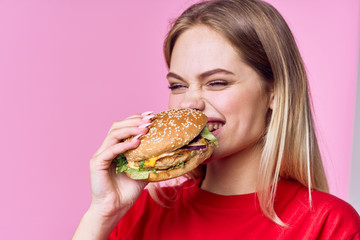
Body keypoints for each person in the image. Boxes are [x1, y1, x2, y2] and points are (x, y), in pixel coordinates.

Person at [73, 0, 360, 239]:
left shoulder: (327, 224)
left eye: (217, 83)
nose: (190, 103)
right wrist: (101, 213)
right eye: (177, 85)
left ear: (275, 92)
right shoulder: (139, 213)